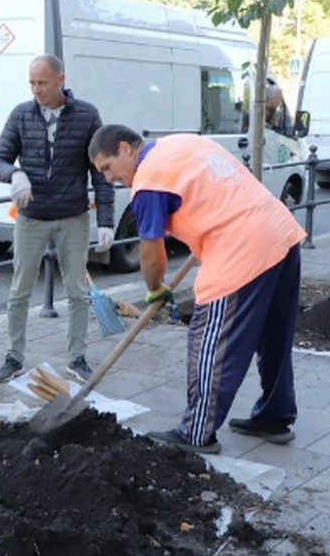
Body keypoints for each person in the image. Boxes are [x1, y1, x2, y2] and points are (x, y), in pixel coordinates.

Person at [88, 125, 305, 454]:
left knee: (209, 340)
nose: (108, 178)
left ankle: (196, 432)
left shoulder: (149, 180)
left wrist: (155, 290)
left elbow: (151, 253)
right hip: (279, 231)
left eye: (107, 167)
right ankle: (274, 417)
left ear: (126, 149)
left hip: (242, 249)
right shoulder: (181, 143)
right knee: (273, 335)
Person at [0, 54, 115, 380]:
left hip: (73, 217)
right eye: (31, 83)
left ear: (61, 79)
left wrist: (106, 220)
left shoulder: (87, 115)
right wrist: (14, 174)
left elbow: (100, 172)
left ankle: (77, 359)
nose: (36, 89)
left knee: (77, 291)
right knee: (19, 291)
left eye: (42, 82)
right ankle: (13, 357)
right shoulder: (21, 114)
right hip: (31, 217)